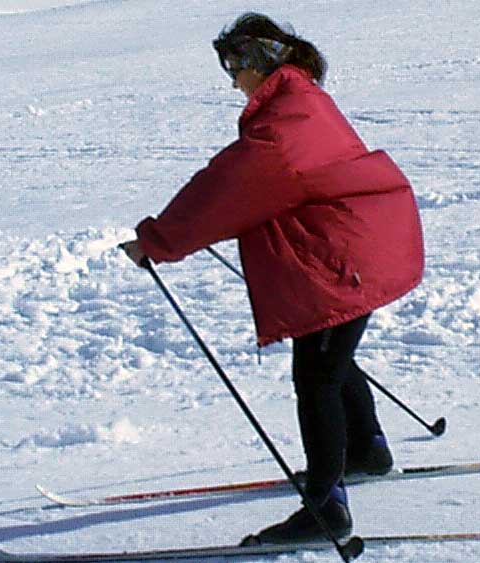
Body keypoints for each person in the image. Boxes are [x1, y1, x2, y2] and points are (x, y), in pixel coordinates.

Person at [122, 13, 424, 545]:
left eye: (235, 66)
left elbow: (225, 189)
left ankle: (327, 507)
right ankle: (365, 451)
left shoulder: (283, 125)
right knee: (330, 358)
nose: (232, 80)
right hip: (353, 249)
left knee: (317, 376)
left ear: (258, 62)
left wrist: (156, 242)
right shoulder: (300, 100)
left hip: (344, 257)